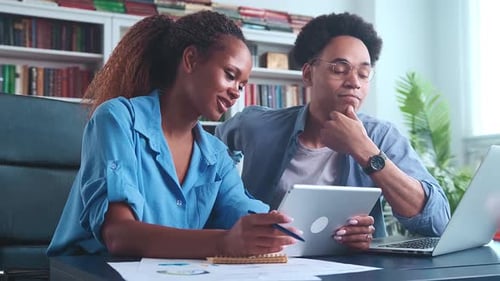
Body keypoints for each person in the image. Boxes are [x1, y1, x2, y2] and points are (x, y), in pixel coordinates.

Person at [47, 11, 300, 258]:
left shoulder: (216, 154)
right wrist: (224, 242)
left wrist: (278, 229)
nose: (236, 93)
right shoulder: (118, 118)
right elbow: (118, 234)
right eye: (230, 75)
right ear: (190, 59)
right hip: (89, 270)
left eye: (242, 85)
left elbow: (245, 215)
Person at [215, 12, 451, 251]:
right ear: (308, 74)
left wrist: (365, 150)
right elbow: (212, 154)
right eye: (340, 69)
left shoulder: (381, 136)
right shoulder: (258, 125)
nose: (354, 82)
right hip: (266, 265)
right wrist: (237, 204)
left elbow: (438, 220)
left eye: (363, 73)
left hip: (353, 268)